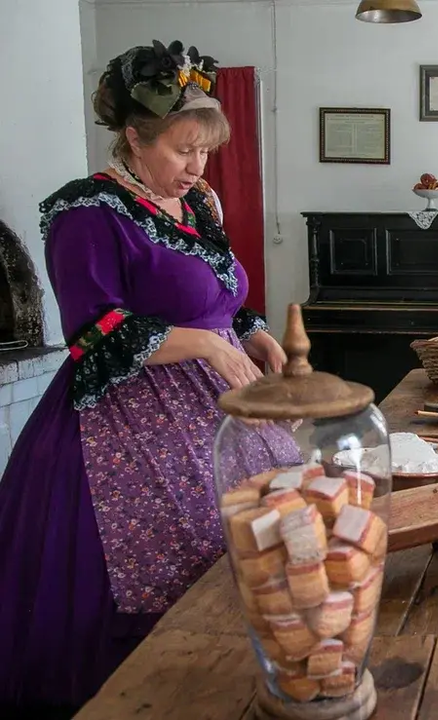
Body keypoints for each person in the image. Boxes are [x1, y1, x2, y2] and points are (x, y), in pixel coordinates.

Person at [0, 40, 300, 717]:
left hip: (221, 404)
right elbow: (91, 331)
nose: (196, 167)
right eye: (180, 150)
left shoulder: (197, 207)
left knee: (261, 545)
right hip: (126, 422)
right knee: (175, 569)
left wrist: (249, 329)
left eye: (204, 151)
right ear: (134, 138)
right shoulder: (85, 211)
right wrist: (201, 343)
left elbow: (218, 294)